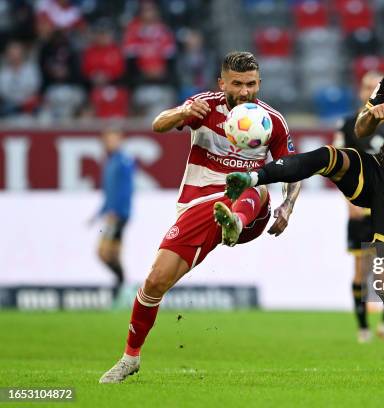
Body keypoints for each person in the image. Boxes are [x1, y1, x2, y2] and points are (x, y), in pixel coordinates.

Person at [225, 14, 384, 381]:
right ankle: (253, 176)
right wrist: (374, 115)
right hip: (377, 172)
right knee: (327, 157)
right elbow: (360, 127)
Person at [99, 51, 301, 383]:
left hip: (249, 210)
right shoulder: (203, 106)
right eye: (237, 84)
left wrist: (288, 206)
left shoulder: (272, 121)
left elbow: (292, 169)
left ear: (259, 83)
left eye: (251, 84)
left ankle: (234, 222)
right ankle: (130, 358)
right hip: (201, 207)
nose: (246, 91)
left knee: (255, 181)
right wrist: (182, 111)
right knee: (154, 282)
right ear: (222, 83)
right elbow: (158, 125)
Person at [333, 70, 384, 344]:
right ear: (361, 92)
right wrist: (349, 201)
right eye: (367, 86)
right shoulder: (349, 125)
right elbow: (337, 166)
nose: (371, 91)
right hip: (360, 208)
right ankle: (362, 328)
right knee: (362, 268)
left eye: (376, 87)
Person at [90, 129, 135, 299]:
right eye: (107, 139)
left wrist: (116, 211)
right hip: (112, 214)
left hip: (119, 215)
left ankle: (122, 284)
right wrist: (98, 213)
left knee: (104, 252)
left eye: (113, 139)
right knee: (112, 254)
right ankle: (122, 286)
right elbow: (109, 192)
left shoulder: (123, 161)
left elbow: (125, 190)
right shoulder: (110, 162)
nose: (110, 142)